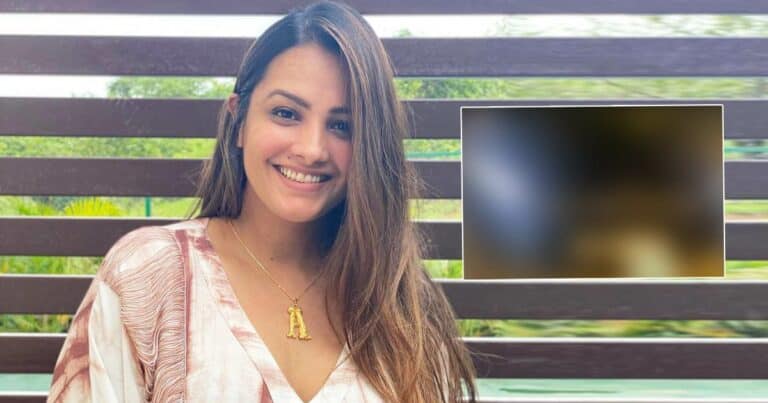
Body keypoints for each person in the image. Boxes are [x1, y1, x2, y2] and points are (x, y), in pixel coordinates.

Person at [47, 1, 478, 402]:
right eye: (286, 113)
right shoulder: (150, 276)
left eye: (343, 126)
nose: (312, 149)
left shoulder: (401, 307)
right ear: (238, 120)